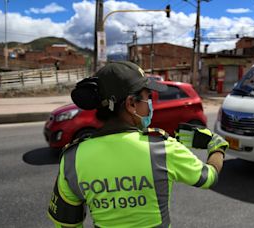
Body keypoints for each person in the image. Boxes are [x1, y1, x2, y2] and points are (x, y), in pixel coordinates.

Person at [47, 61, 229, 228]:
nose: (150, 105)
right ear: (131, 104)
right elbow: (209, 177)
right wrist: (217, 147)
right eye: (147, 97)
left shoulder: (72, 158)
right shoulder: (162, 148)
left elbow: (66, 223)